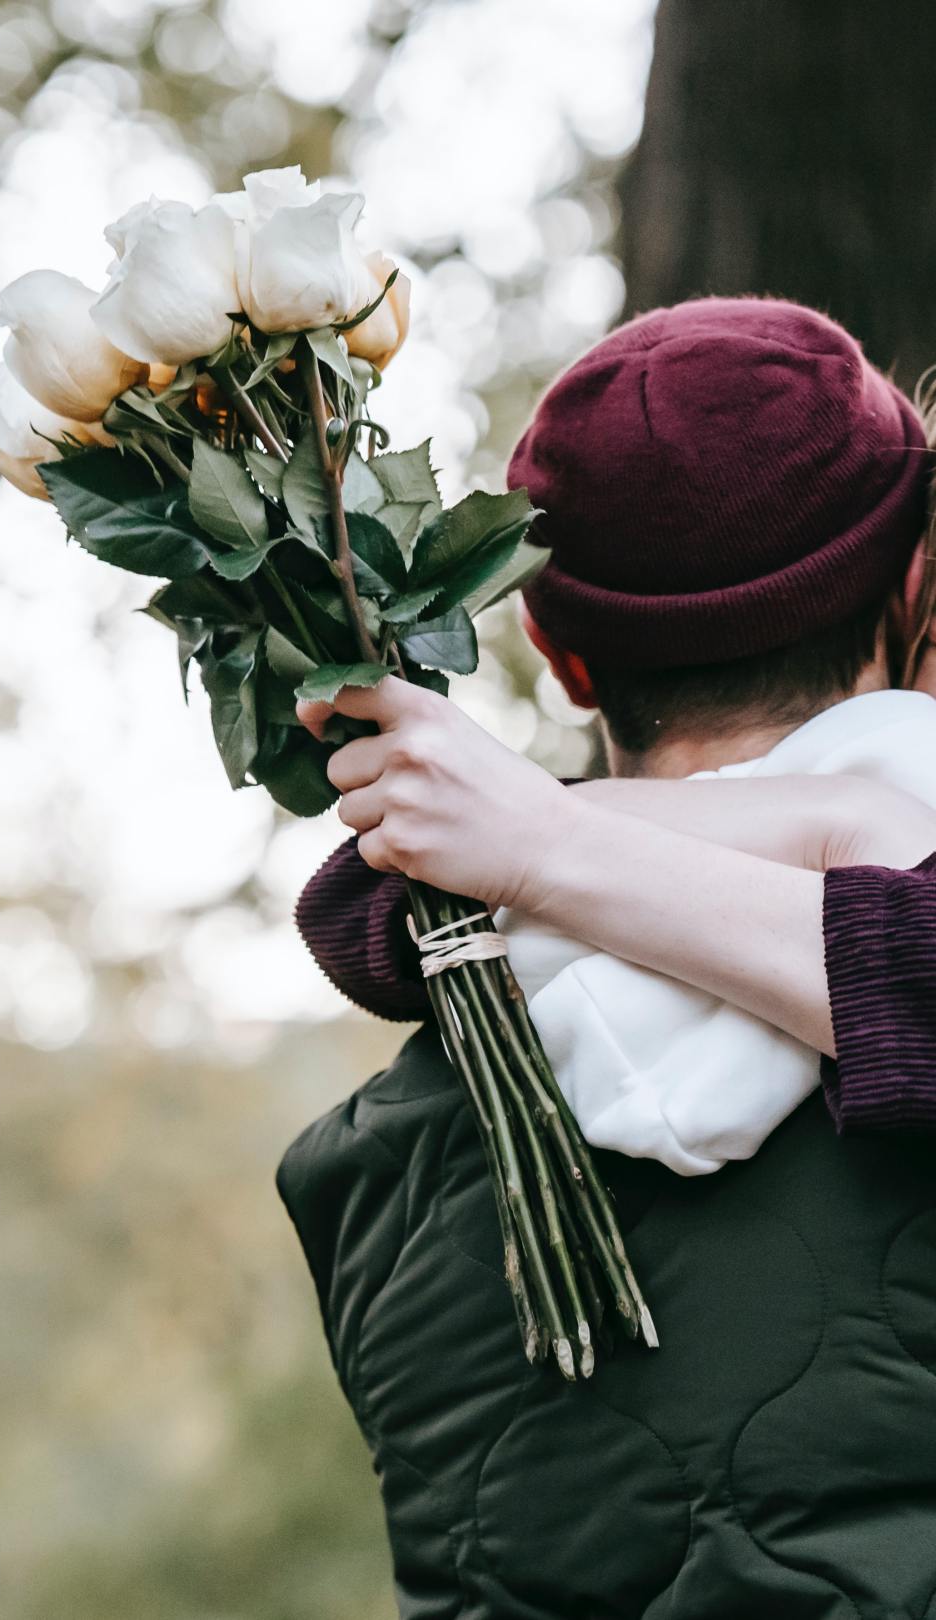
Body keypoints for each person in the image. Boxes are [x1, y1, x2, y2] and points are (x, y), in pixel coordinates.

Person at [278, 297, 936, 1619]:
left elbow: (362, 906)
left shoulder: (366, 1173)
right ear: (916, 582)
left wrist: (539, 835)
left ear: (557, 654)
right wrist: (836, 824)